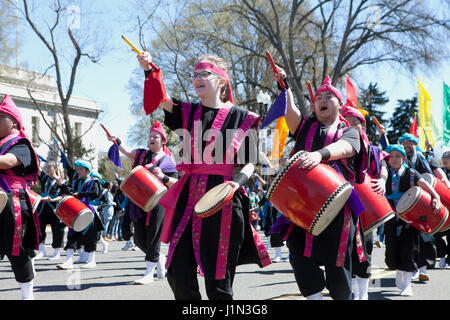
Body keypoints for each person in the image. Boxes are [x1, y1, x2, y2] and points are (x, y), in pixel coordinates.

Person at [138, 51, 271, 299]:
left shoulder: (243, 118)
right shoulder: (186, 112)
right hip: (188, 199)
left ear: (221, 80)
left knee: (218, 281)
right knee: (176, 271)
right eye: (195, 74)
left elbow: (250, 163)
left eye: (204, 74)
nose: (197, 78)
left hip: (224, 201)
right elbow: (161, 98)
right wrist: (148, 70)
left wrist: (236, 183)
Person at [270, 69, 367, 300]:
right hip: (302, 201)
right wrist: (285, 86)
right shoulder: (305, 126)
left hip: (337, 206)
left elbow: (347, 148)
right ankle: (314, 296)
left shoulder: (349, 131)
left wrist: (319, 155)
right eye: (318, 99)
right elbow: (290, 112)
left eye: (328, 98)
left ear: (339, 104)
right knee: (297, 252)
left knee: (338, 264)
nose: (322, 101)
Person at [107, 120, 178, 284]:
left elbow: (176, 183)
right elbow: (126, 151)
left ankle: (149, 273)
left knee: (153, 236)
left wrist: (164, 177)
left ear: (163, 141)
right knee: (138, 238)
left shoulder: (168, 160)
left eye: (156, 136)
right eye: (150, 136)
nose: (152, 138)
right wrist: (116, 141)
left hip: (158, 202)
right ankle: (158, 257)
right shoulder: (141, 154)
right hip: (138, 200)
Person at [341, 104, 388, 300]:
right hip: (342, 203)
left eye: (355, 123)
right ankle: (350, 290)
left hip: (366, 205)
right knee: (345, 248)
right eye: (346, 122)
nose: (350, 125)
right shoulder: (337, 146)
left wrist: (383, 180)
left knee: (365, 248)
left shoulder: (374, 150)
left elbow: (384, 166)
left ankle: (363, 292)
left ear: (363, 126)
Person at [383, 144, 442, 296]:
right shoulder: (384, 175)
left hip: (410, 219)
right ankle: (398, 271)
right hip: (390, 218)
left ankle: (407, 285)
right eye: (391, 156)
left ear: (403, 158)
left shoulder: (411, 173)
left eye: (398, 156)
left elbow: (426, 185)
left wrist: (436, 197)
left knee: (409, 250)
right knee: (391, 253)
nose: (394, 159)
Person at [0, 94, 40, 300]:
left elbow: (7, 162)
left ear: (13, 120)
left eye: (0, 116)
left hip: (13, 202)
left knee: (16, 250)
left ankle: (27, 295)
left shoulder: (21, 144)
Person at [398, 133, 445, 280]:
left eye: (409, 142)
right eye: (403, 142)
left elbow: (430, 176)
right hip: (405, 203)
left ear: (414, 144)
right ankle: (410, 268)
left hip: (422, 201)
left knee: (425, 235)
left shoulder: (420, 157)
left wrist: (436, 194)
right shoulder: (399, 159)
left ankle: (423, 269)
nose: (406, 145)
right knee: (408, 238)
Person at [56, 159, 103, 269]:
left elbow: (96, 193)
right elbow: (70, 192)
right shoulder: (76, 182)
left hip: (88, 211)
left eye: (81, 169)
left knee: (90, 236)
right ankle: (68, 260)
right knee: (72, 235)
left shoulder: (94, 181)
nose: (78, 172)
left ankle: (92, 260)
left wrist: (81, 194)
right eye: (77, 170)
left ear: (88, 171)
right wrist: (62, 186)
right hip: (76, 211)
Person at [35, 161, 66, 260]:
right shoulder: (45, 178)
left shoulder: (61, 182)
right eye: (47, 167)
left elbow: (63, 196)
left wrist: (52, 199)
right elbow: (38, 168)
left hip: (54, 207)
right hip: (43, 206)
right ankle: (41, 250)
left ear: (55, 169)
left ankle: (56, 252)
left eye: (50, 167)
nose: (47, 169)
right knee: (40, 227)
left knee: (56, 229)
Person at [436, 151, 450, 268]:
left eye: (447, 158)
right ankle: (442, 254)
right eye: (443, 157)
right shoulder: (438, 172)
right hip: (440, 208)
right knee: (437, 234)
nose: (445, 160)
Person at [98, 181, 115, 253]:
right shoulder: (106, 192)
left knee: (106, 223)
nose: (112, 186)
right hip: (107, 209)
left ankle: (103, 236)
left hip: (107, 209)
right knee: (106, 223)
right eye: (111, 185)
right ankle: (104, 235)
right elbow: (108, 201)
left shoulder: (105, 191)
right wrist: (114, 203)